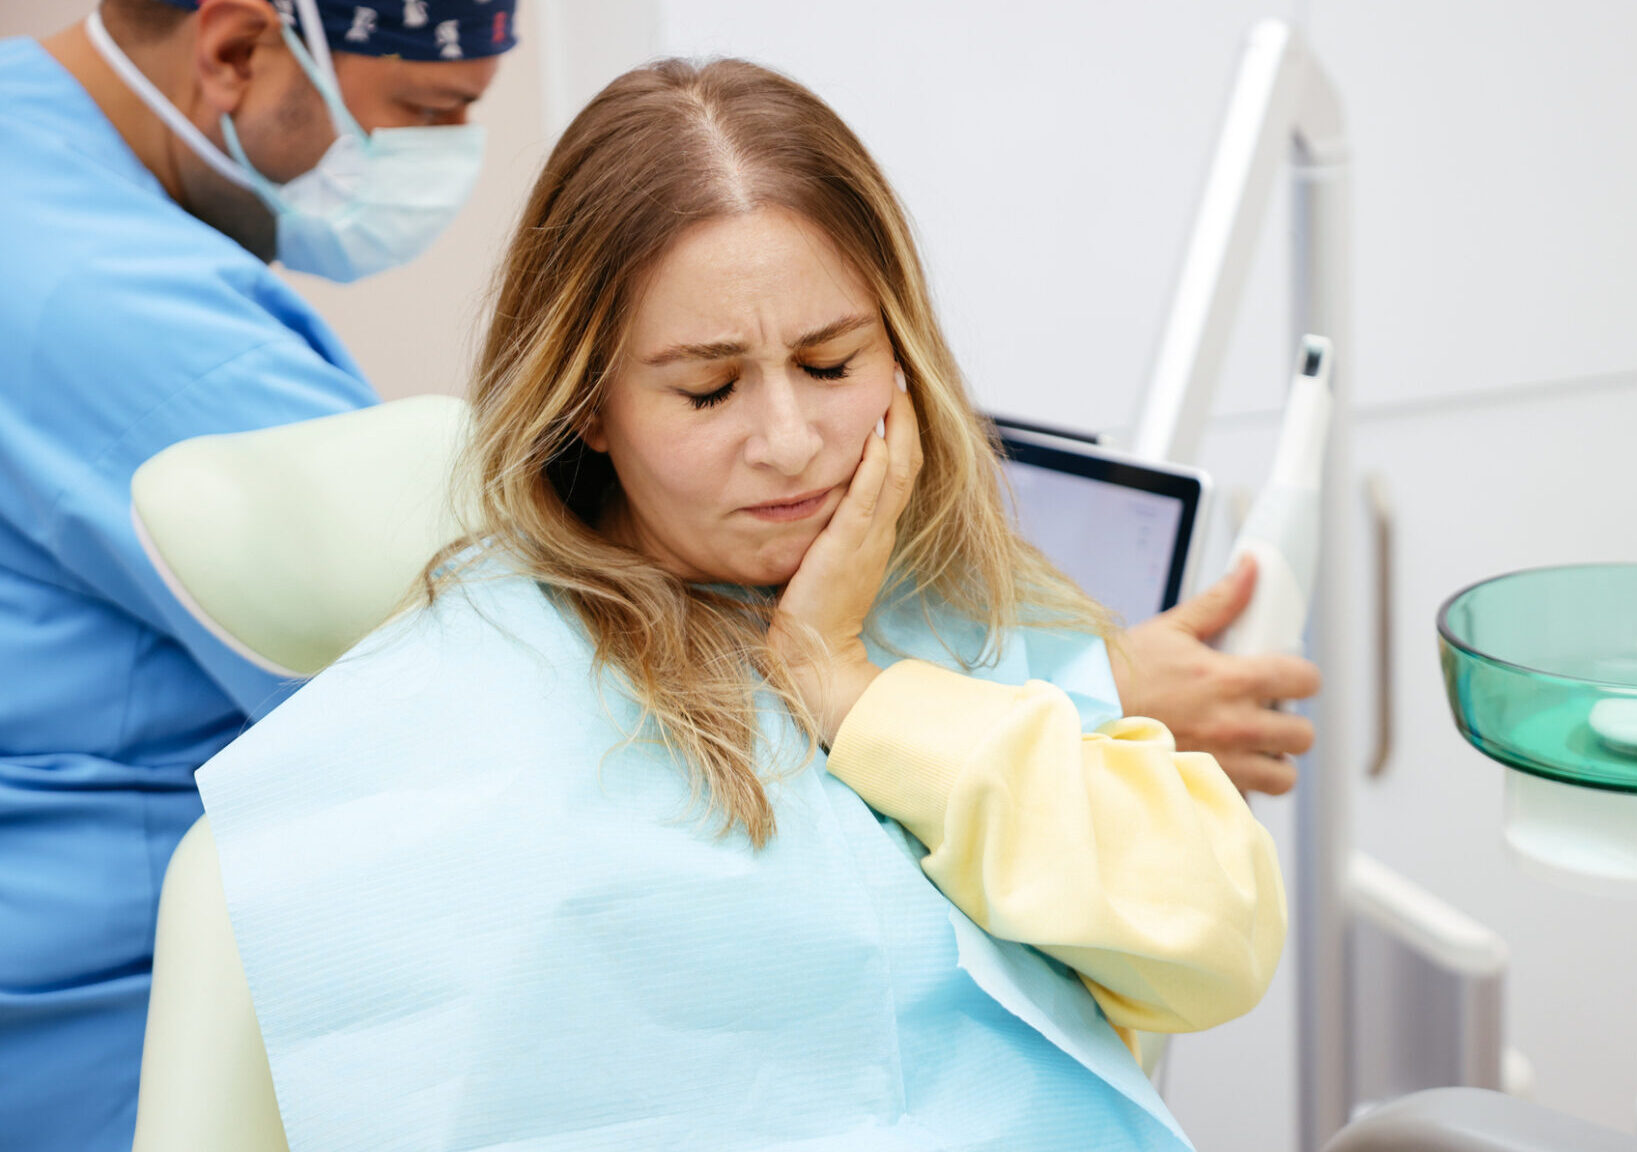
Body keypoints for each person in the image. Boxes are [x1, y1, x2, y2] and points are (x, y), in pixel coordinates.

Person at [2, 0, 1311, 1141]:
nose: (791, 443)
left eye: (833, 363)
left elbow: (1217, 937)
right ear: (589, 406)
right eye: (707, 388)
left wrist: (857, 693)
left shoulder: (966, 623)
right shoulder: (477, 694)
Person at [0, 2, 514, 1147]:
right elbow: (467, 659)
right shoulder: (113, 307)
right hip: (96, 1031)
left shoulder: (24, 135)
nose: (442, 167)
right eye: (423, 118)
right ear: (232, 51)